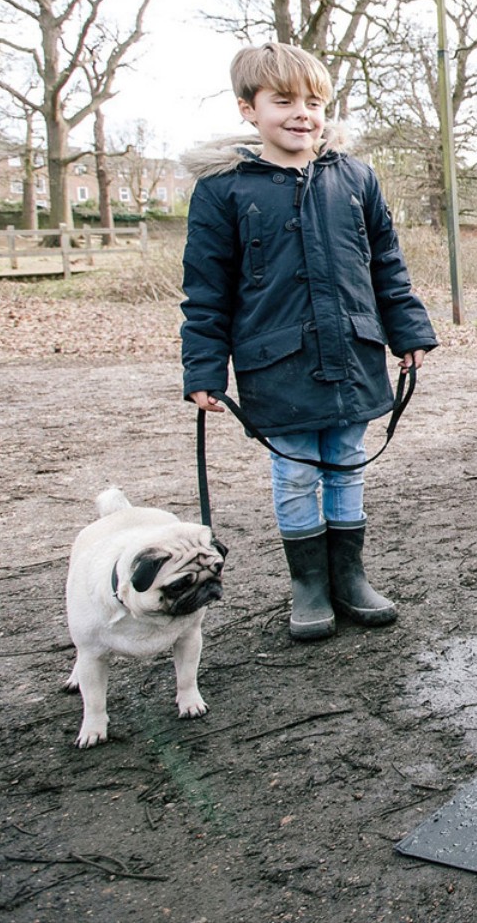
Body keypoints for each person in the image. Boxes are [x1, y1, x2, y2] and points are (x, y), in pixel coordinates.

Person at [180, 42, 437, 643]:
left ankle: (350, 578)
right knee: (295, 472)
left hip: (352, 351)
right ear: (249, 109)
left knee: (346, 465)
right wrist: (203, 369)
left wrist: (408, 329)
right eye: (284, 101)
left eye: (314, 102)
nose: (302, 113)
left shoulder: (354, 177)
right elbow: (206, 290)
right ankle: (309, 585)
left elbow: (387, 266)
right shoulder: (223, 191)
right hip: (278, 361)